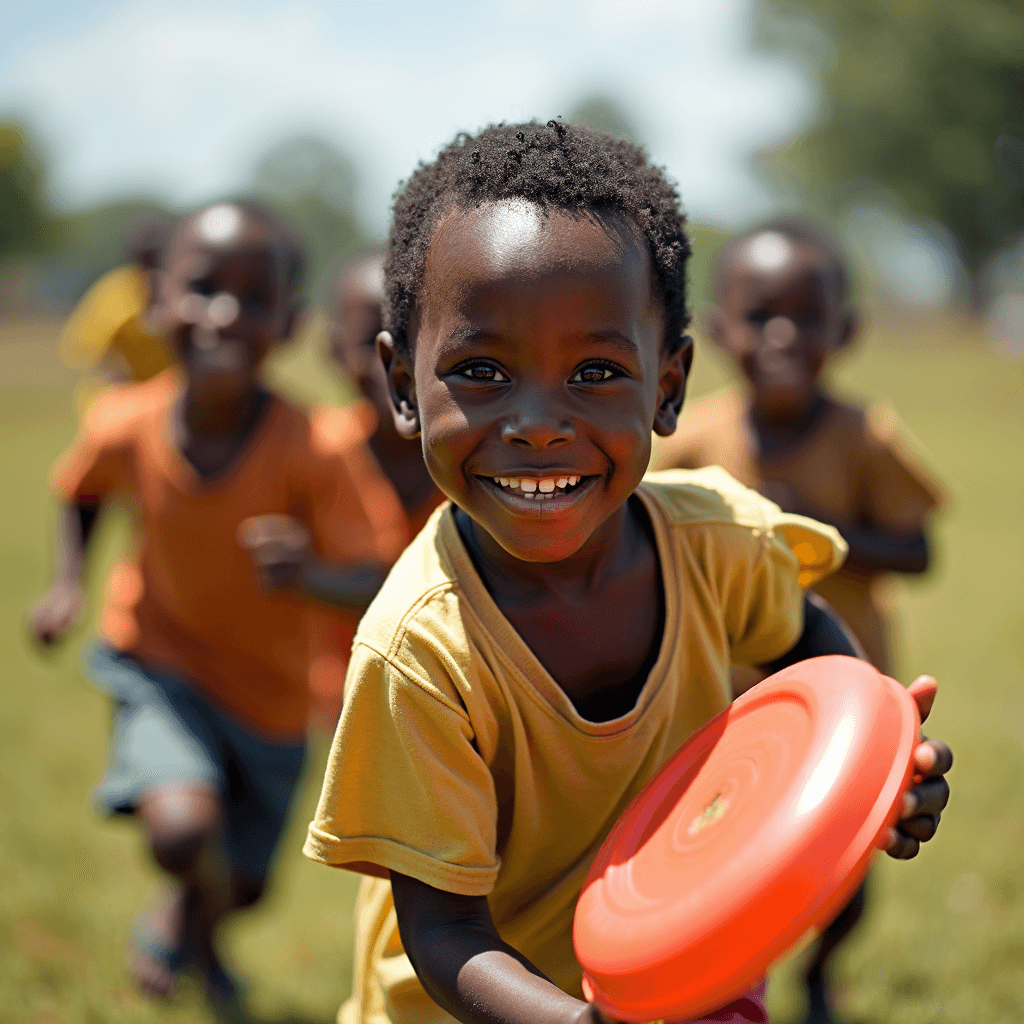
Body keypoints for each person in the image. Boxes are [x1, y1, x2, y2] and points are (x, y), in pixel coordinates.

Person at [299, 123, 953, 1024]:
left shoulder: (720, 542)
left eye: (597, 370)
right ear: (402, 388)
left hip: (670, 968)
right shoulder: (419, 651)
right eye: (480, 370)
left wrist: (873, 768)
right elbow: (445, 935)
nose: (537, 423)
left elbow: (810, 656)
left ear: (669, 386)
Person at [29, 199, 408, 1007]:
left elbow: (375, 572)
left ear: (288, 321)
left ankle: (194, 932)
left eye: (253, 296)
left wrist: (307, 575)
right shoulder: (124, 422)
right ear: (157, 299)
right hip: (157, 663)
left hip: (270, 698)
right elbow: (82, 492)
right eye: (202, 287)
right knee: (181, 829)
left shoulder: (315, 447)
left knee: (244, 886)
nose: (224, 314)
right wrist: (69, 582)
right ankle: (184, 903)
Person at [649, 219, 946, 1023]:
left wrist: (828, 531)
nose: (783, 336)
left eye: (805, 317)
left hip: (847, 695)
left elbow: (919, 550)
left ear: (843, 331)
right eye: (759, 315)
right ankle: (730, 984)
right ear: (717, 331)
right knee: (724, 859)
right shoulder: (693, 439)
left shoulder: (864, 436)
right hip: (723, 703)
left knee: (846, 863)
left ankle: (820, 969)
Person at [306, 250, 444, 727]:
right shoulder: (315, 453)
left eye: (418, 337)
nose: (397, 362)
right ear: (333, 350)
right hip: (340, 698)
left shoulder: (478, 465)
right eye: (371, 341)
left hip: (457, 695)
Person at [60, 212, 178, 414]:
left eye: (159, 260)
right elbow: (88, 354)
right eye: (146, 261)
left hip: (172, 404)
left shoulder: (185, 291)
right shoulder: (116, 293)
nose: (151, 270)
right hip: (120, 404)